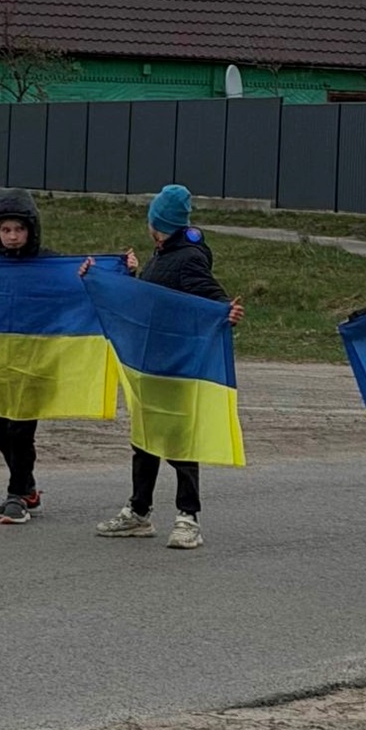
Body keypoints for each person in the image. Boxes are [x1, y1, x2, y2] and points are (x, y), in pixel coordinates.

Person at [93, 184, 244, 552]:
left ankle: (188, 517)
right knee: (144, 441)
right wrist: (128, 276)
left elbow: (209, 295)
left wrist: (227, 311)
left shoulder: (187, 257)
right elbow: (152, 300)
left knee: (179, 440)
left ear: (156, 223)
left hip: (177, 365)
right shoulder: (163, 253)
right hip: (150, 365)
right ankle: (139, 511)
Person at [0, 188, 45, 526]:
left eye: (19, 229)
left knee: (21, 431)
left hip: (34, 362)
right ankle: (28, 486)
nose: (13, 236)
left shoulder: (48, 265)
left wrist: (124, 269)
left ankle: (16, 494)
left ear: (31, 230)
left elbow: (83, 285)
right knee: (0, 428)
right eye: (6, 230)